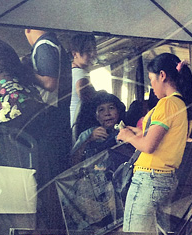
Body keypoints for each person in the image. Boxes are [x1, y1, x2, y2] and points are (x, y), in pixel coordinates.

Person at [117, 53, 192, 234]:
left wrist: (127, 136)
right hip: (165, 179)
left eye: (152, 79)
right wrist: (138, 133)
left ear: (162, 75)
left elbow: (148, 146)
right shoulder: (179, 104)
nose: (151, 86)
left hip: (149, 179)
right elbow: (161, 137)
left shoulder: (166, 104)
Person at [25, 27, 72, 174]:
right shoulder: (56, 45)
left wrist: (24, 71)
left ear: (27, 29)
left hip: (49, 118)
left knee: (48, 169)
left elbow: (49, 83)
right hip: (59, 117)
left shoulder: (44, 44)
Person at [71, 91, 126, 163]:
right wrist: (89, 140)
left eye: (111, 108)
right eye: (101, 110)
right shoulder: (88, 133)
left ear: (118, 111)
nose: (107, 113)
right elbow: (73, 161)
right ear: (96, 116)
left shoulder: (127, 131)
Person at [69, 33, 97, 132]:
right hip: (79, 127)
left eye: (94, 50)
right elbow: (89, 102)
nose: (93, 54)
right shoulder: (81, 75)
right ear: (75, 54)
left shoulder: (71, 72)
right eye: (88, 51)